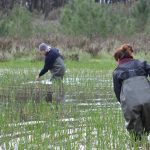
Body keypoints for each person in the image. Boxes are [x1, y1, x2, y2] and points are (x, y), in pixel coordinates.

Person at [113, 44, 150, 141]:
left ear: (118, 59)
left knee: (136, 136)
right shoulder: (142, 63)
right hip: (148, 99)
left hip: (130, 104)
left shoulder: (117, 71)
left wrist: (123, 104)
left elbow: (117, 92)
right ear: (131, 55)